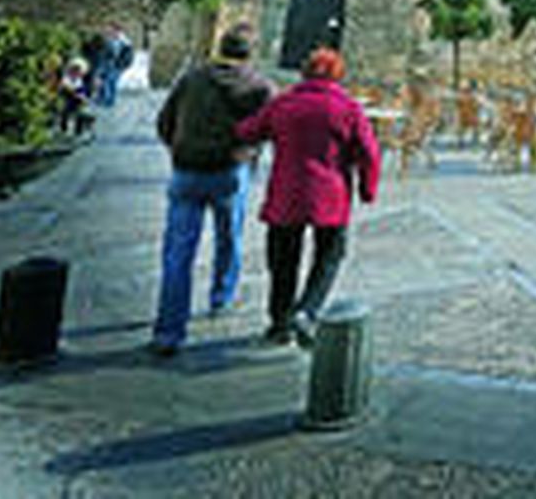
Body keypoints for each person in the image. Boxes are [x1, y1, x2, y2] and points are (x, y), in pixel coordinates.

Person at [235, 47, 381, 348]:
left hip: (287, 194)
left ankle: (279, 323)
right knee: (329, 255)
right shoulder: (348, 108)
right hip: (330, 195)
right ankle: (307, 310)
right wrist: (367, 189)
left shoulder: (284, 103)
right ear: (338, 75)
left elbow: (249, 131)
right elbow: (369, 153)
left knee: (282, 260)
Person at [149, 24, 273, 356]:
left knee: (177, 252)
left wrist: (180, 147)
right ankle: (222, 295)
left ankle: (168, 332)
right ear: (251, 53)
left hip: (187, 171)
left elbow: (164, 122)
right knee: (229, 236)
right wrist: (246, 153)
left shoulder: (192, 77)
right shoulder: (259, 86)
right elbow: (264, 131)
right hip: (229, 172)